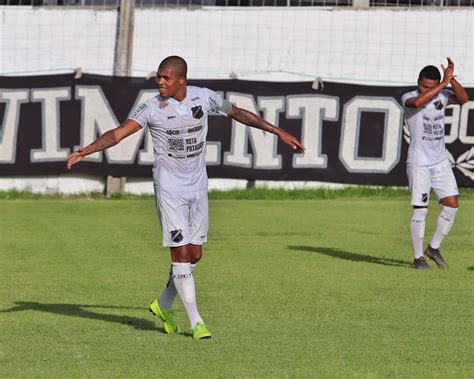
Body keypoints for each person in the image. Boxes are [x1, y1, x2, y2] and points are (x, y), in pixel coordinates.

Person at [66, 55, 305, 339]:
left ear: (182, 79)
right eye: (159, 77)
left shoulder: (204, 98)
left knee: (195, 254)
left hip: (197, 185)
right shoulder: (151, 107)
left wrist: (278, 132)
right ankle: (197, 323)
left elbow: (238, 113)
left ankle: (164, 303)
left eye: (166, 77)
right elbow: (118, 134)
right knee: (180, 255)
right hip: (169, 187)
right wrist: (86, 151)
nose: (160, 82)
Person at [401, 58, 468, 270]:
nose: (425, 90)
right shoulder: (409, 97)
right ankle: (418, 257)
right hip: (419, 163)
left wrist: (451, 79)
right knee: (421, 210)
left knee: (452, 205)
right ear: (417, 82)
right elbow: (419, 102)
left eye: (430, 86)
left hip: (440, 161)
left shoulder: (443, 95)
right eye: (423, 85)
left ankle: (434, 248)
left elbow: (464, 99)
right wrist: (442, 84)